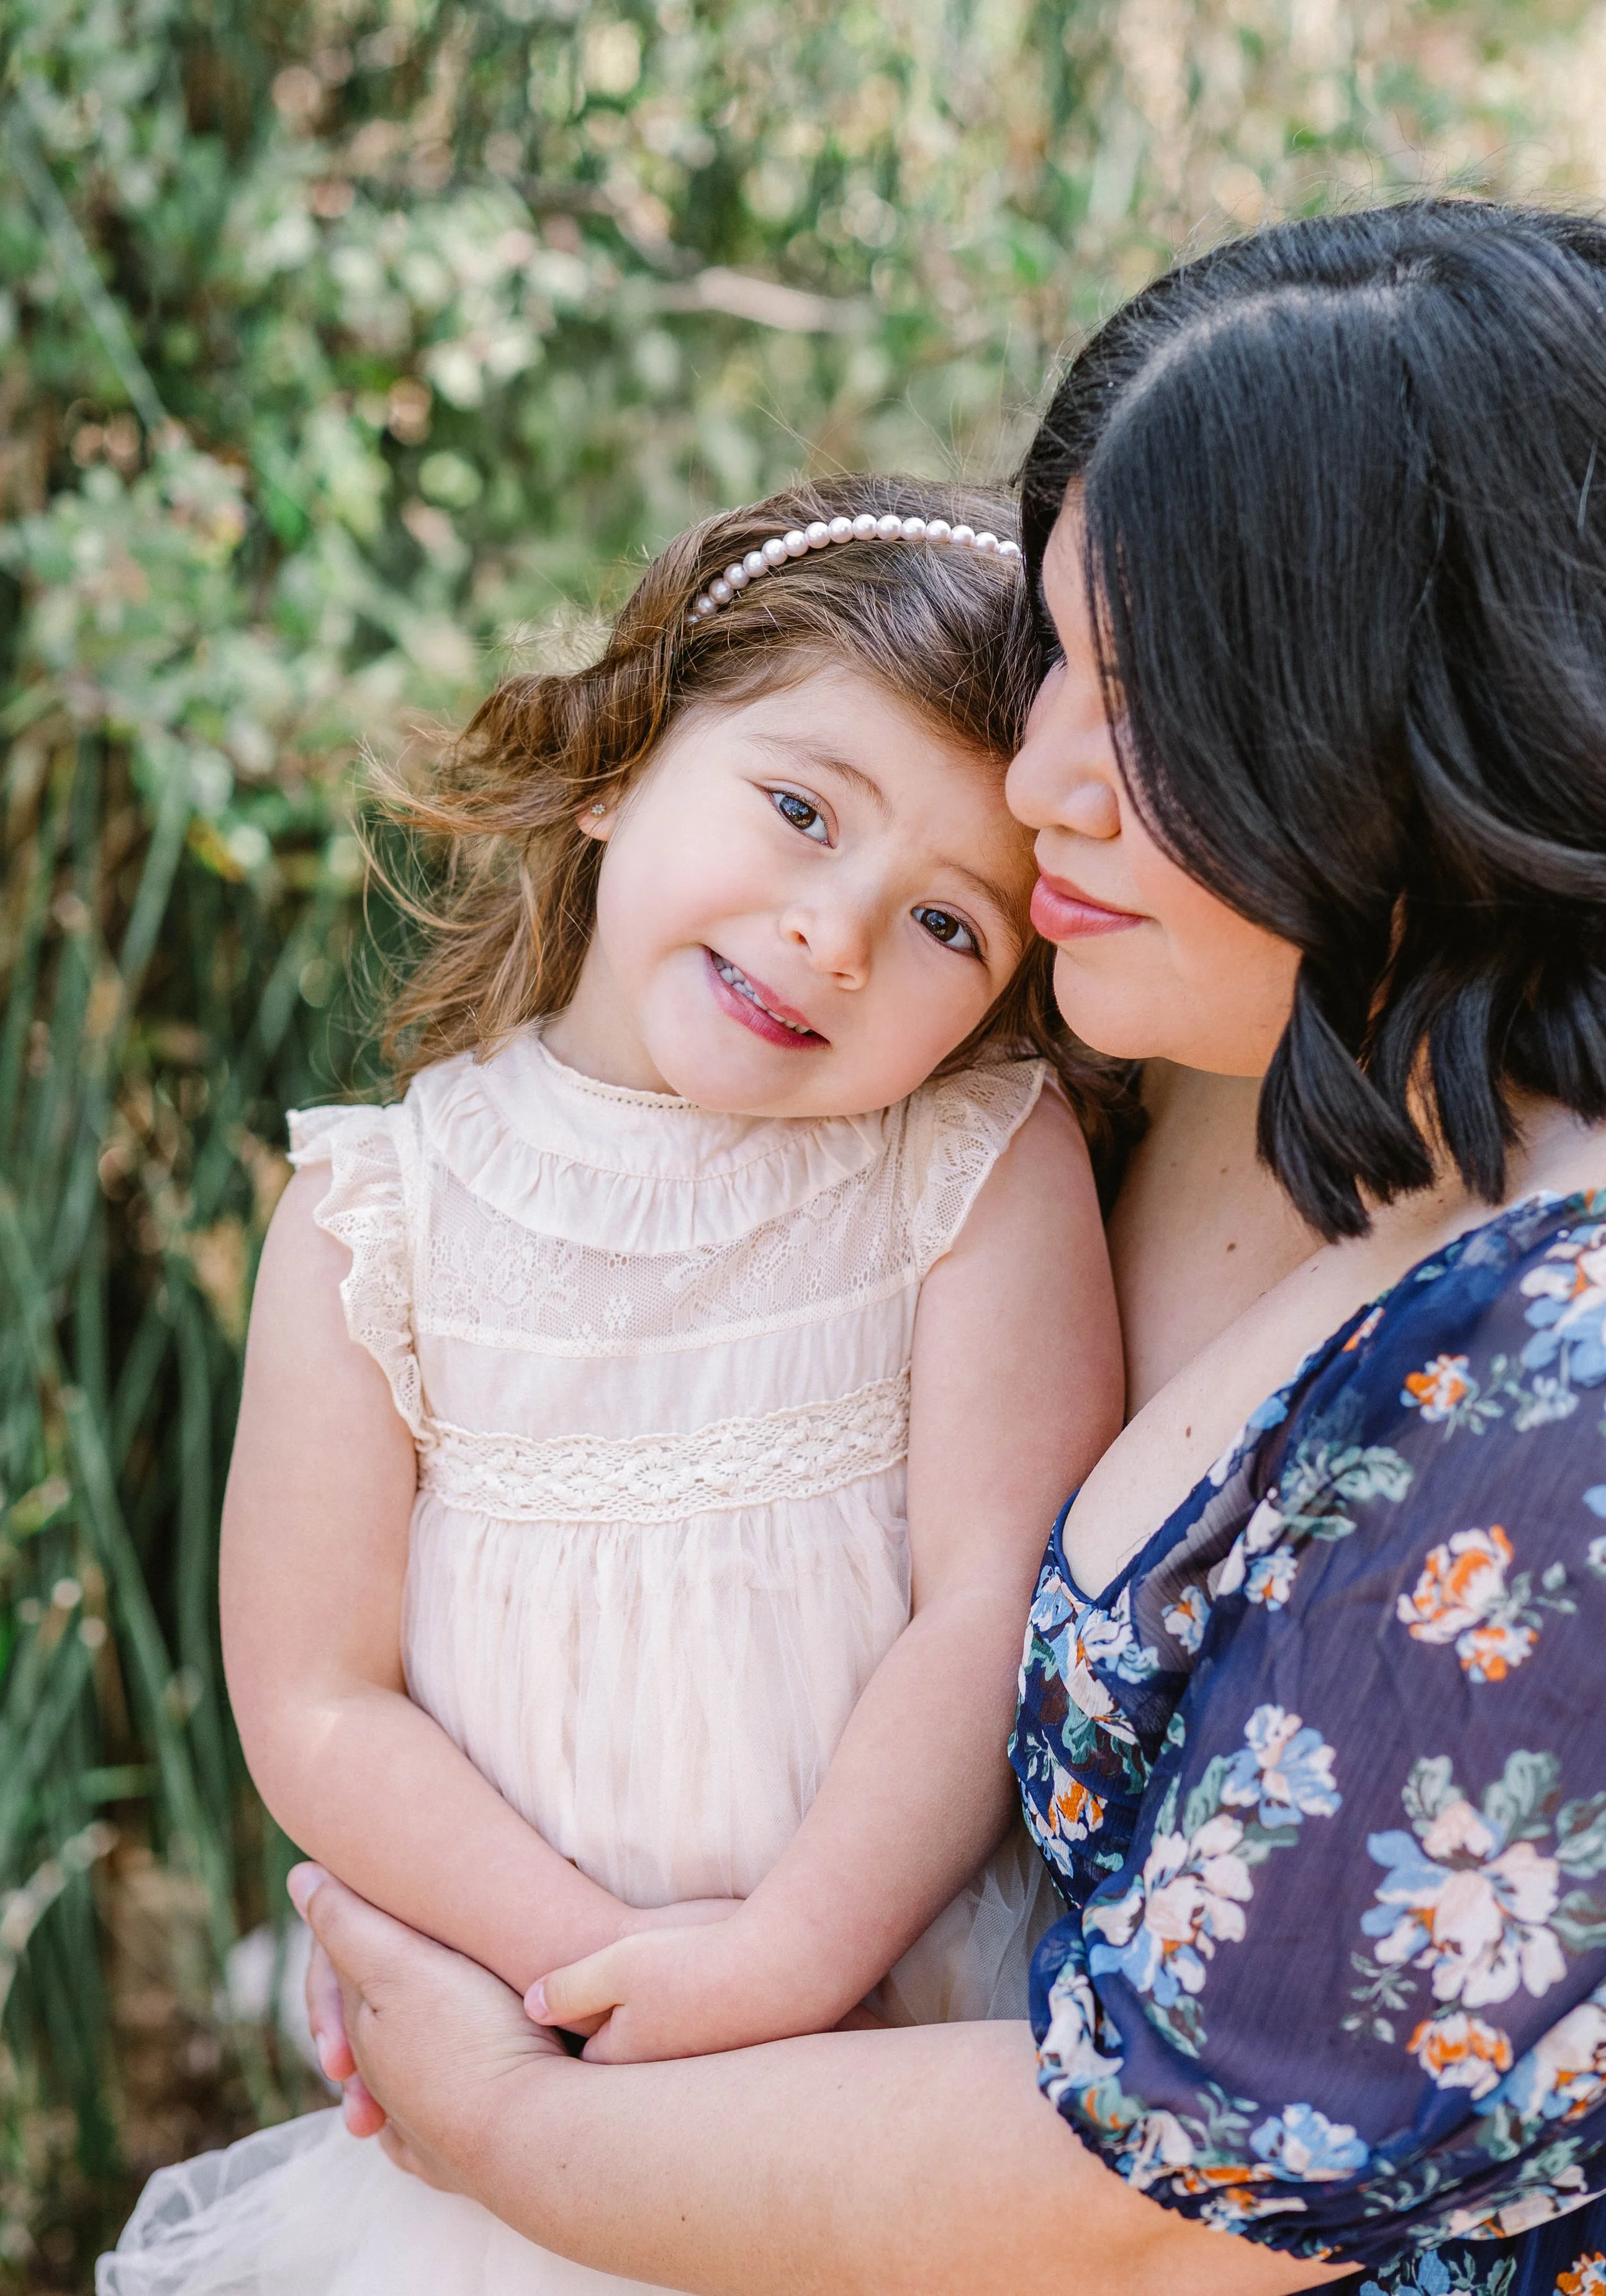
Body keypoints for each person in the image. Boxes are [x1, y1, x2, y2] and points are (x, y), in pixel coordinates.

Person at [291, 200, 1606, 2296]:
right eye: (1060, 664)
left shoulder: (1563, 1361)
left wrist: (515, 2113)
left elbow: (1151, 2209)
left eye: (1142, 687)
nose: (1033, 775)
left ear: (1408, 713)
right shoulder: (1180, 1054)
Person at [98, 478, 1129, 2295]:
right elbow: (318, 1696)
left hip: (879, 2033)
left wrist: (787, 1956)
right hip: (526, 2045)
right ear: (621, 759)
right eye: (801, 809)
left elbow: (993, 1598)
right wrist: (592, 1971)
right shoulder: (377, 1218)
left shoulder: (972, 1167)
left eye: (949, 924)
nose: (836, 931)